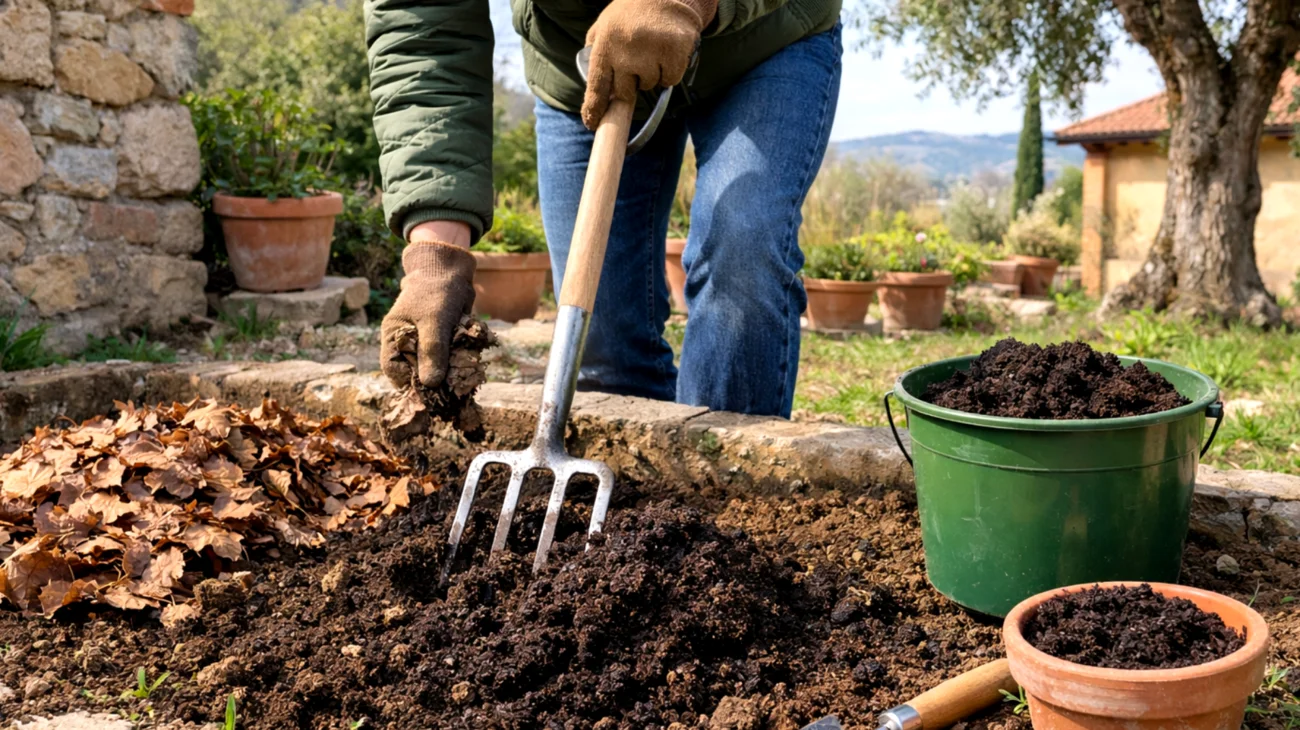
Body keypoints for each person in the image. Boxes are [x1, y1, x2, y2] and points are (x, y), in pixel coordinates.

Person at [367, 0, 842, 418]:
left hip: (765, 39)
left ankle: (726, 489)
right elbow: (424, 31)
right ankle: (636, 500)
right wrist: (436, 253)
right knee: (601, 334)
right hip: (584, 65)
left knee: (742, 251)